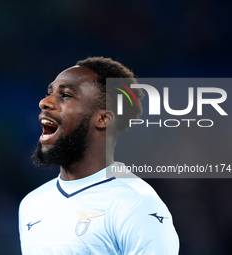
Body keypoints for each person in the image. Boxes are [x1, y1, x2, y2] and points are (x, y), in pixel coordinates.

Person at [19, 57, 179, 254]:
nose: (44, 102)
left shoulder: (136, 204)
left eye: (66, 95)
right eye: (49, 93)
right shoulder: (32, 204)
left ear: (103, 118)